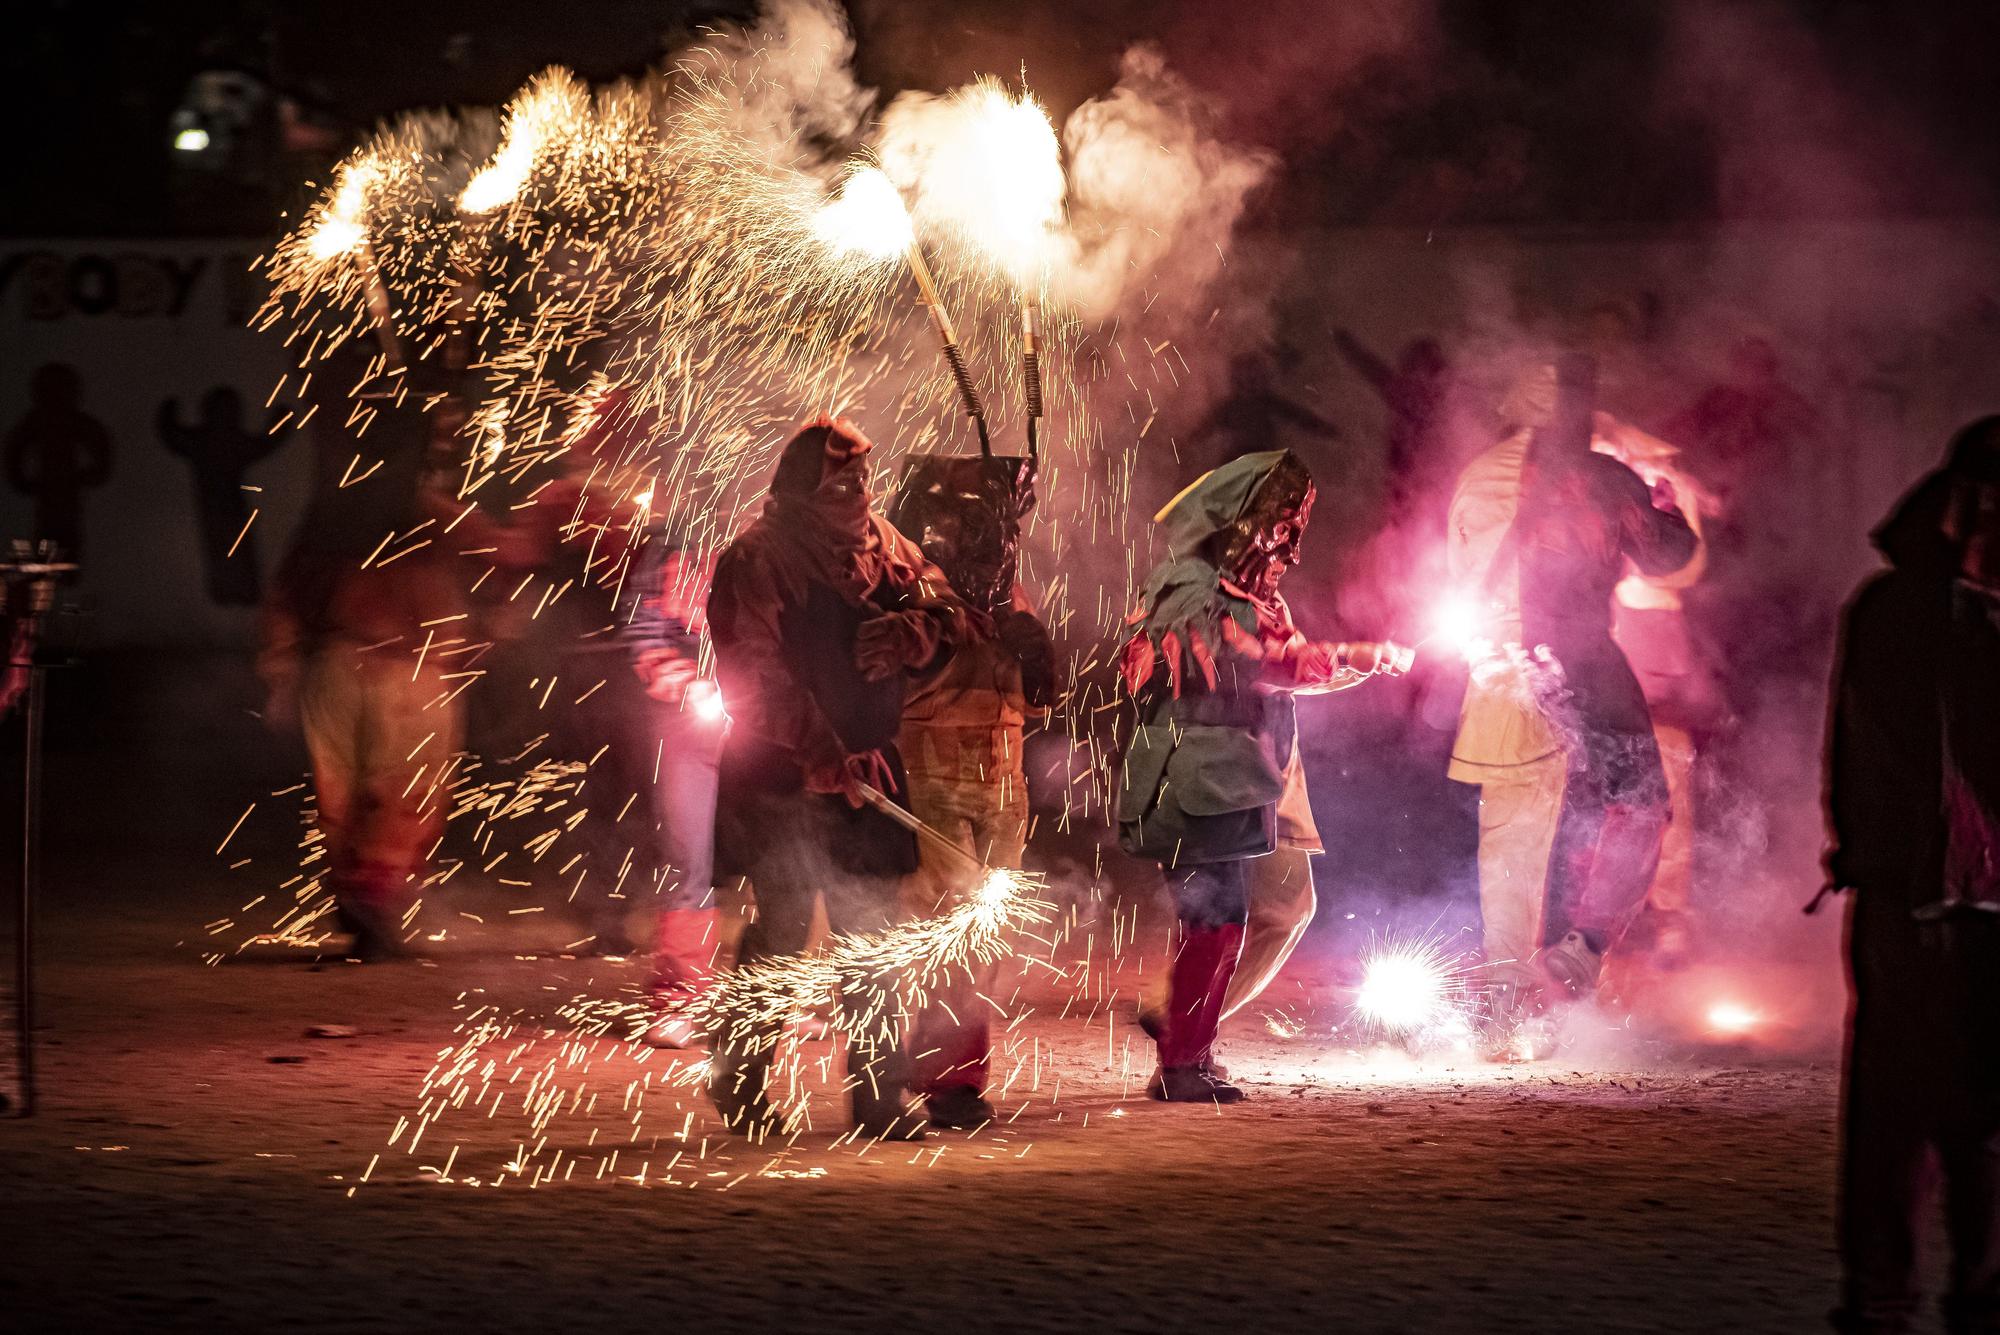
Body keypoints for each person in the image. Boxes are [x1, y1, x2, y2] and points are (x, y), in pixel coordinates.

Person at [704, 418, 978, 1141]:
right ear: (805, 489)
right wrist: (821, 750)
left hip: (871, 771)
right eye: (841, 482)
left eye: (864, 477)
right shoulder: (757, 561)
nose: (860, 492)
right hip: (781, 777)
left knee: (876, 934)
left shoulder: (887, 545)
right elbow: (750, 678)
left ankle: (879, 1099)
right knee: (787, 930)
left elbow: (948, 612)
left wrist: (914, 635)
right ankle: (740, 1077)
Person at [1117, 449, 1407, 1103]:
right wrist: (1352, 656)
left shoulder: (1246, 594)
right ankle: (1181, 1058)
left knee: (1233, 916)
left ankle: (1186, 1046)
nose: (1293, 549)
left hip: (1236, 772)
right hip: (1197, 772)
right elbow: (1249, 664)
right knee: (1215, 916)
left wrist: (1358, 662)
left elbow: (1280, 667)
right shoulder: (1190, 588)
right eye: (1285, 526)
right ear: (1243, 518)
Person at [1444, 355, 1697, 1031]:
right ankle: (1576, 956)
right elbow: (1668, 557)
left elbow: (1457, 573)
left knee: (1514, 841)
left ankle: (1503, 1008)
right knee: (1638, 804)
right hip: (1583, 660)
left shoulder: (1475, 476)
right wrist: (1664, 505)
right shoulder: (1603, 474)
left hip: (1498, 666)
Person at [1823, 417, 2000, 1335]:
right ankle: (1881, 1296)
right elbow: (1868, 756)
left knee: (1988, 1123)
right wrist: (1884, 863)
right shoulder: (1895, 613)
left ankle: (1984, 1290)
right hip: (1913, 900)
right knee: (1895, 1114)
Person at [887, 451, 1053, 1129]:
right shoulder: (908, 590)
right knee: (951, 927)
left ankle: (948, 1069)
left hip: (1002, 777)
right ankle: (937, 1075)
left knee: (984, 932)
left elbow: (1038, 700)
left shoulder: (1011, 594)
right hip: (932, 774)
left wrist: (1036, 648)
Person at [1596, 417, 1722, 965]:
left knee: (1668, 783)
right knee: (1602, 794)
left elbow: (1680, 570)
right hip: (1604, 641)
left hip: (1652, 647)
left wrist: (1661, 498)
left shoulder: (1660, 488)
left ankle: (1669, 919)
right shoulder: (1586, 480)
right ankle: (1599, 924)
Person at [5, 363, 113, 563]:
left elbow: (101, 450)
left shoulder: (62, 422)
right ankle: (58, 569)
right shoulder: (41, 422)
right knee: (53, 529)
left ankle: (61, 569)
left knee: (62, 530)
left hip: (62, 490)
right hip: (52, 490)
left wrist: (90, 475)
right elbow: (15, 451)